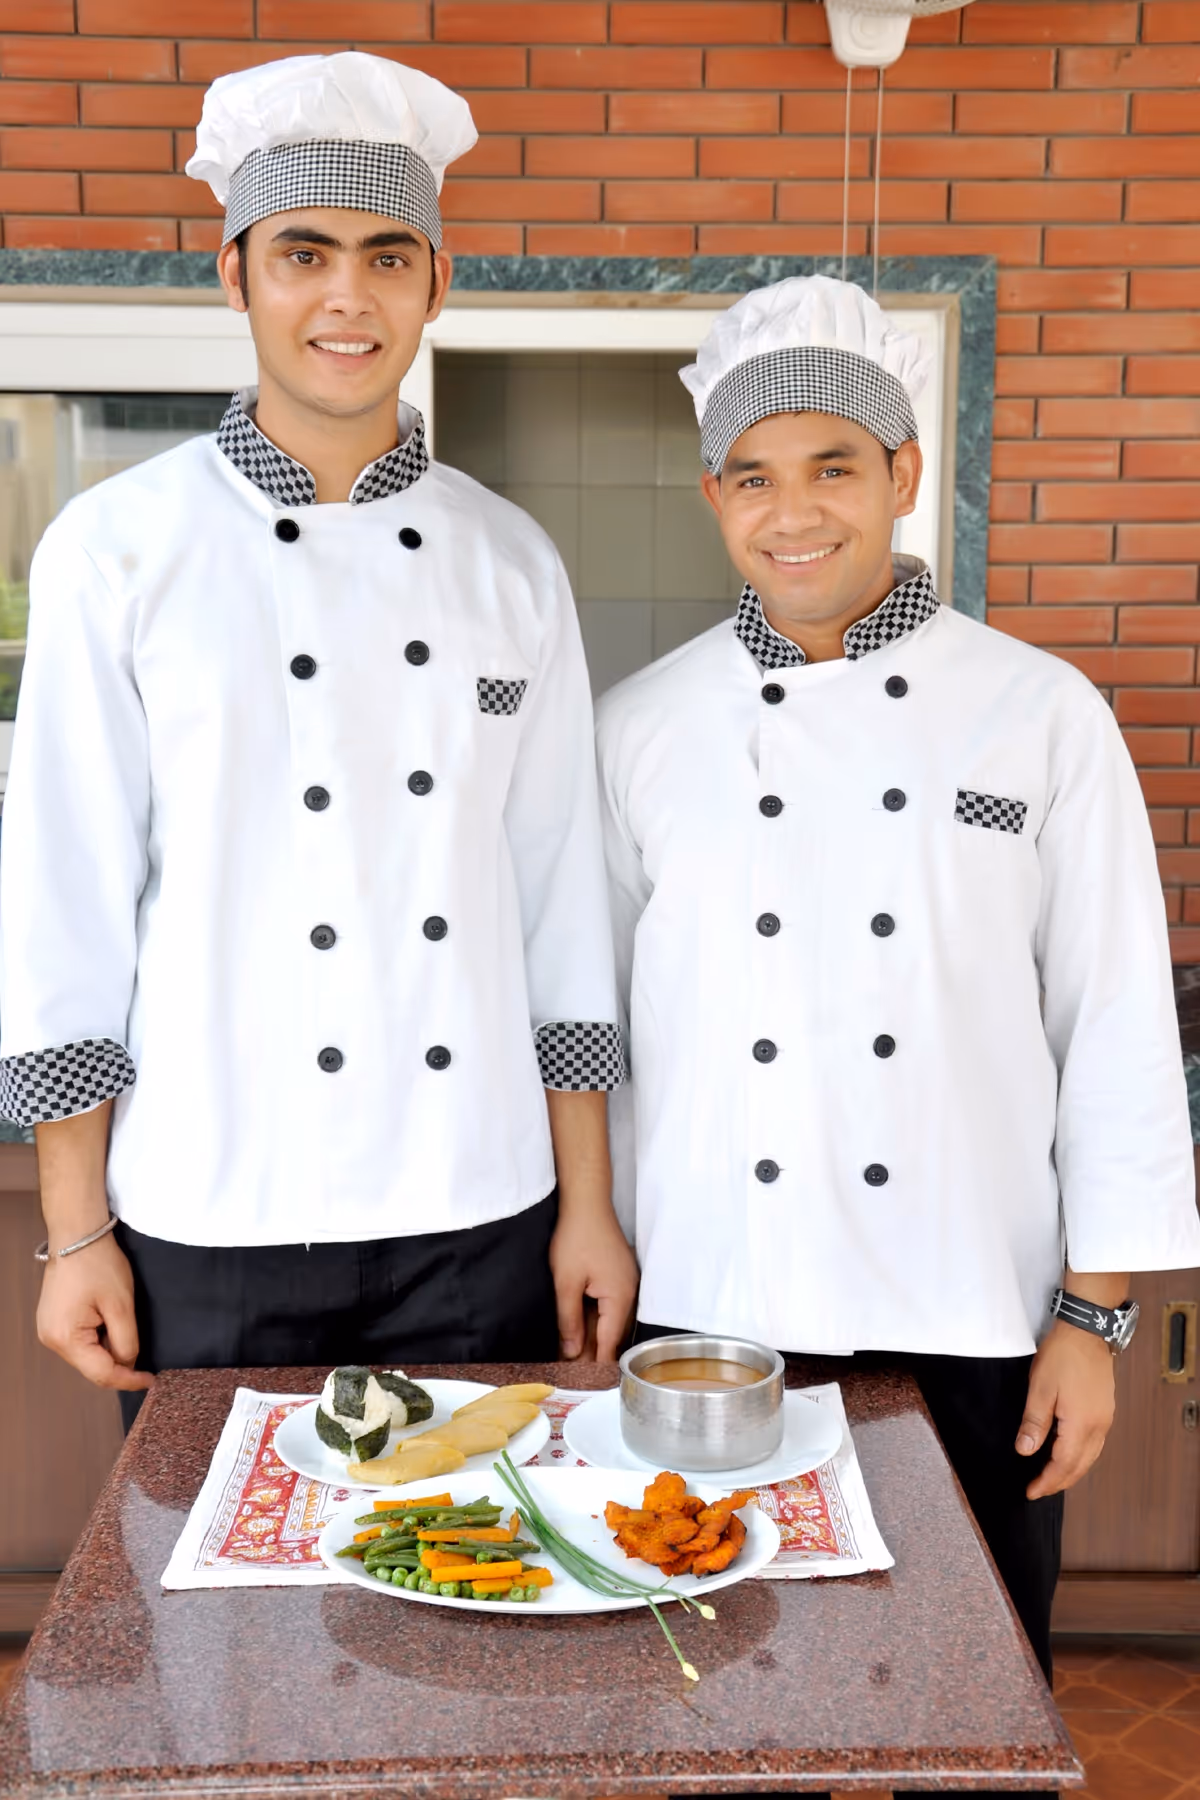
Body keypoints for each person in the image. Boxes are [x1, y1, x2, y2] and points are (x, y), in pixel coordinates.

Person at [597, 275, 1200, 1797]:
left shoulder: (1040, 714)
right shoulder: (644, 727)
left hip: (974, 1308)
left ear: (905, 475)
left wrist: (1098, 1318)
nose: (792, 515)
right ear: (713, 494)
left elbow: (1118, 1023)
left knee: (972, 1719)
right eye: (754, 478)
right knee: (717, 1709)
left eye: (833, 468)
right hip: (721, 1311)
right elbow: (591, 1033)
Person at [1, 51, 637, 1422]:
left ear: (434, 286)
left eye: (387, 256)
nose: (347, 297)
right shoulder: (116, 552)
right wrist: (73, 1230)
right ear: (234, 277)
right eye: (304, 253)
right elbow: (64, 912)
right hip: (210, 1206)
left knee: (472, 1592)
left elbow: (561, 906)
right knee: (218, 1619)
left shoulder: (511, 561)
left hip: (480, 1206)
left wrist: (585, 1208)